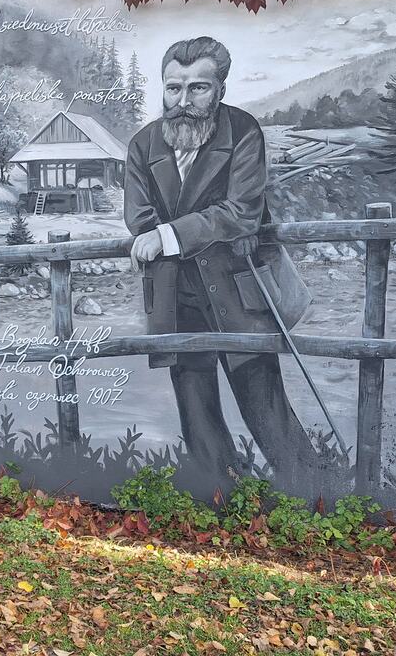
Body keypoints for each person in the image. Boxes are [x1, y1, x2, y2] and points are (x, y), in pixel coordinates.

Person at [124, 36, 322, 487]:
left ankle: (312, 492)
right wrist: (164, 235)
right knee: (196, 410)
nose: (183, 101)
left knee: (264, 403)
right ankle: (221, 495)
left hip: (237, 288)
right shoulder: (142, 144)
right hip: (175, 294)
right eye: (173, 88)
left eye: (198, 88)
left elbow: (242, 213)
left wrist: (169, 235)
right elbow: (139, 218)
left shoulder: (242, 132)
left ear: (220, 90)